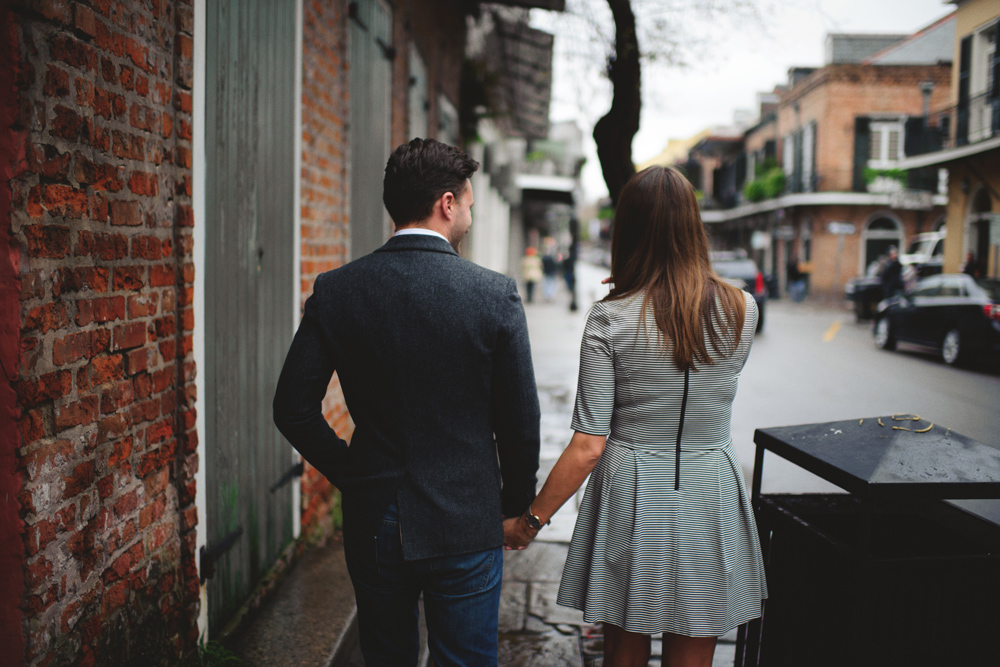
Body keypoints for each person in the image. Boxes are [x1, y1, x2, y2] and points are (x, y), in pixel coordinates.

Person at [273, 138, 541, 667]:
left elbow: (292, 408)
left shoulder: (338, 290)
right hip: (466, 517)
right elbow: (520, 422)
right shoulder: (494, 294)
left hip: (376, 516)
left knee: (386, 656)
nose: (469, 213)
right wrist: (515, 509)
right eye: (468, 202)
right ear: (447, 202)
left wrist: (354, 473)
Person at [505, 166, 767, 667]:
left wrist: (530, 521)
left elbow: (589, 446)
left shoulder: (610, 317)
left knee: (623, 650)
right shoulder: (743, 309)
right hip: (709, 490)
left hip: (632, 493)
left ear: (627, 230)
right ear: (693, 225)